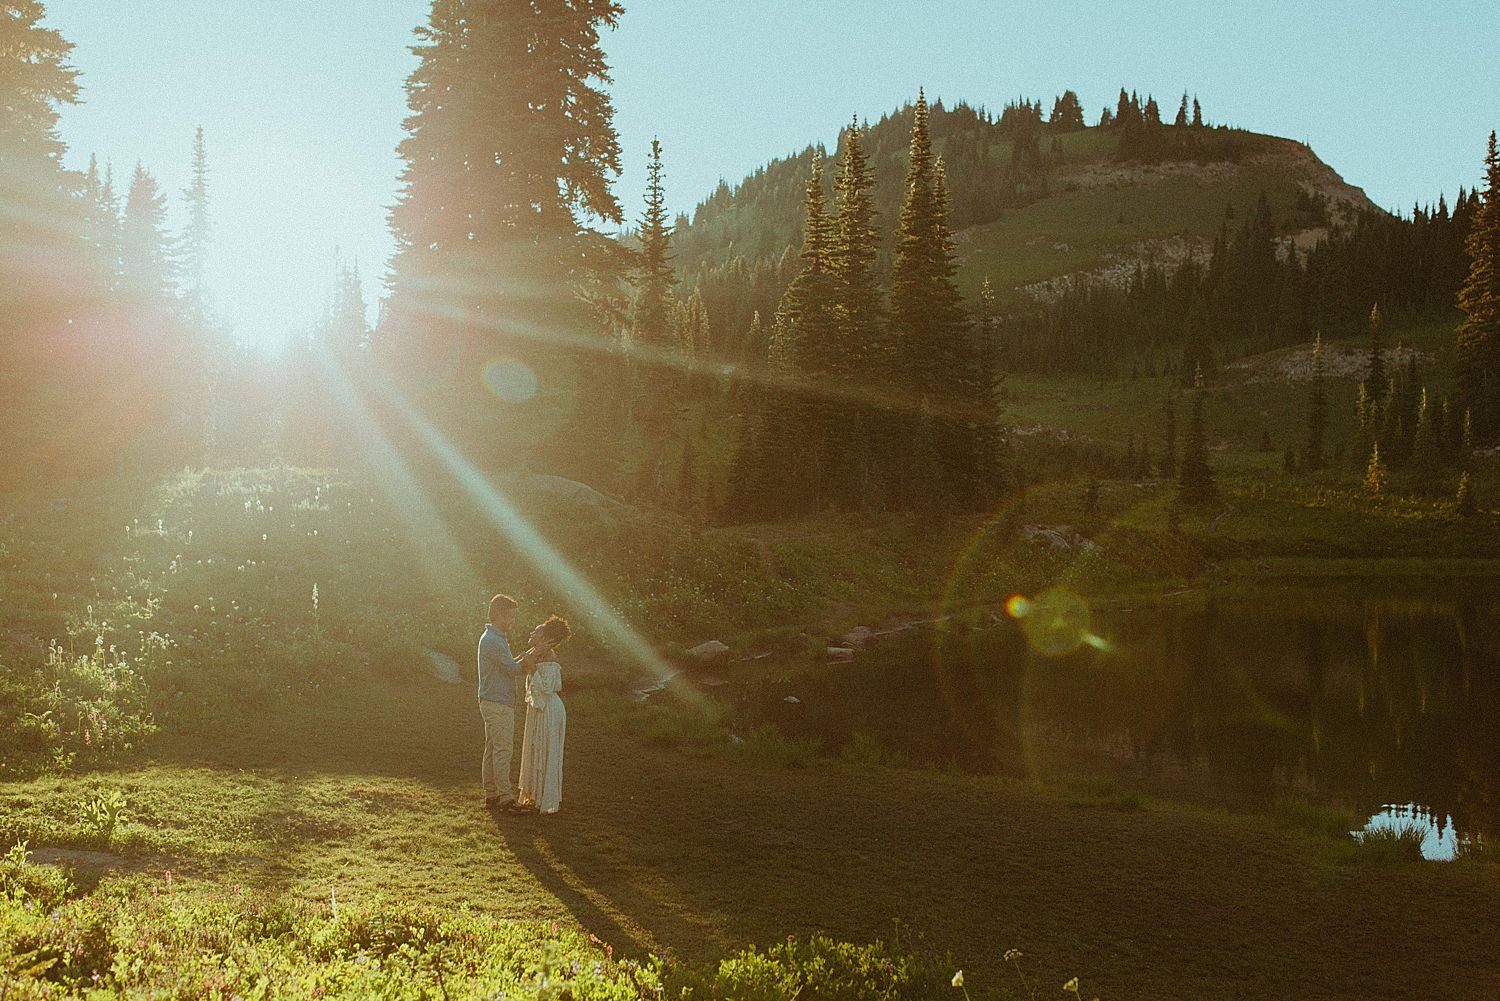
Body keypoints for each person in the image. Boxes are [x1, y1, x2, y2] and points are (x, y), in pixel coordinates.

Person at [477, 593, 532, 812]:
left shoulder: (495, 639)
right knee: (503, 749)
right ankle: (505, 797)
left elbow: (509, 664)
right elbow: (513, 669)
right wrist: (532, 658)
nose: (513, 622)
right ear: (499, 616)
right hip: (498, 702)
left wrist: (526, 656)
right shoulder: (493, 641)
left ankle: (492, 794)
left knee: (492, 748)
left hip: (493, 701)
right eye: (510, 617)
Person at [518, 614, 571, 815]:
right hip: (539, 707)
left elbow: (548, 688)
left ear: (546, 639)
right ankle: (534, 795)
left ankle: (543, 798)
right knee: (535, 747)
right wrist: (532, 658)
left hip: (548, 708)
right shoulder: (539, 653)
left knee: (545, 749)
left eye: (537, 631)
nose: (532, 632)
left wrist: (532, 666)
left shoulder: (549, 659)